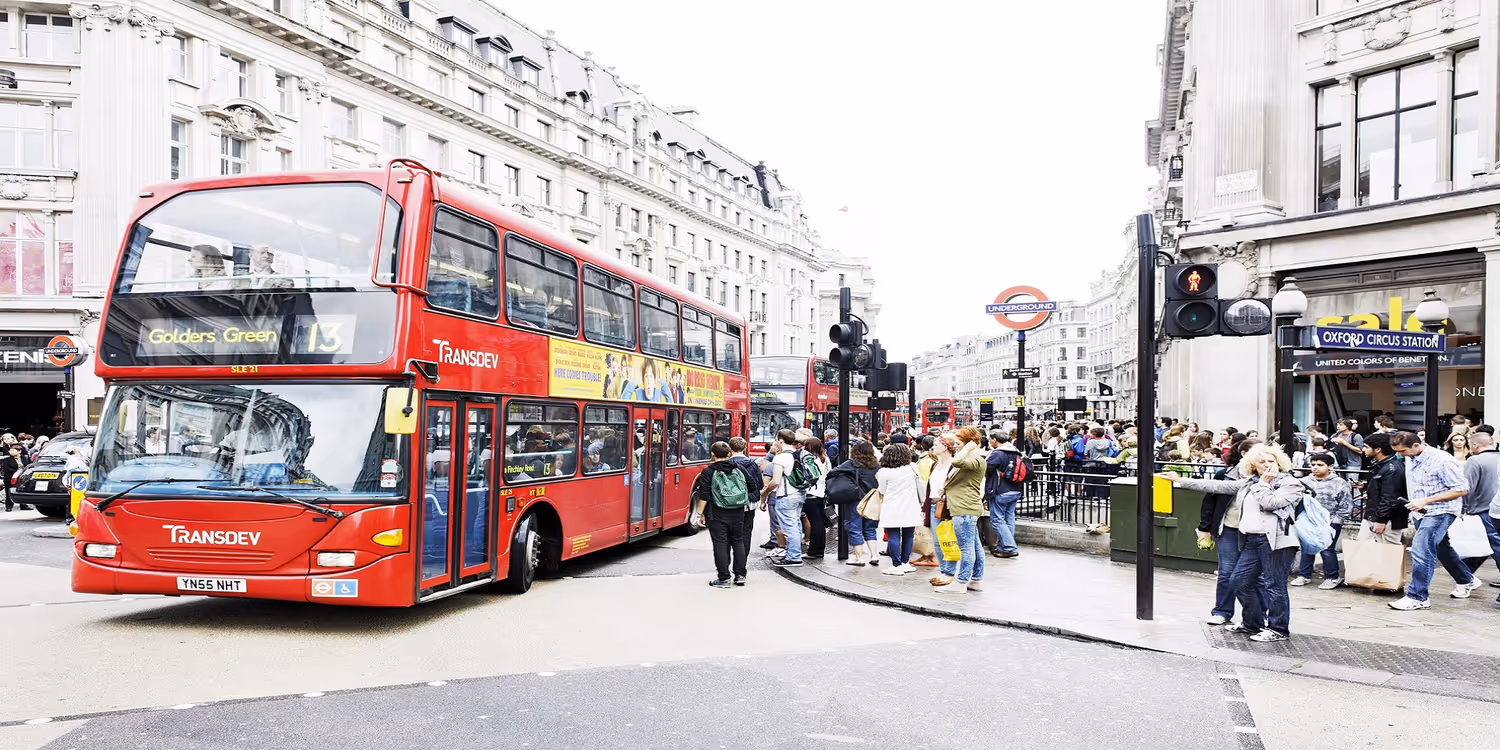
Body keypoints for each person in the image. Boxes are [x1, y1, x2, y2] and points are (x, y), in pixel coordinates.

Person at [1169, 443, 1304, 642]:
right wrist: (1180, 480)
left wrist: (1264, 484)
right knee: (1238, 580)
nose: (1267, 465)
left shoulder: (1290, 483)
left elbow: (1271, 503)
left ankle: (1278, 629)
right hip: (1251, 540)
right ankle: (1253, 624)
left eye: (1271, 461)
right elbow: (1218, 486)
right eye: (1261, 461)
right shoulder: (1250, 482)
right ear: (1252, 465)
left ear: (1279, 463)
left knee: (1274, 586)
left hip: (1276, 542)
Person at [1387, 431, 1482, 611]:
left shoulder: (1442, 460)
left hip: (1441, 510)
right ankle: (1466, 579)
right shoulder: (1410, 457)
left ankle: (1418, 597)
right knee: (1441, 548)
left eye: (1402, 451)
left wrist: (1425, 500)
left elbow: (1461, 489)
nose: (1399, 455)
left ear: (1416, 445)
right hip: (1419, 511)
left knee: (1421, 550)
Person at [1193, 438, 1259, 626]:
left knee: (1257, 576)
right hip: (1229, 528)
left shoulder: (1267, 475)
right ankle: (1222, 611)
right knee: (1226, 572)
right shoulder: (1225, 474)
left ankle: (1257, 616)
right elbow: (1210, 501)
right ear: (1244, 454)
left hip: (1256, 531)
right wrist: (1205, 528)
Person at [692, 442, 753, 588]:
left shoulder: (708, 471)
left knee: (720, 544)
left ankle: (724, 578)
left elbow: (704, 495)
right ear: (729, 454)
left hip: (716, 513)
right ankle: (740, 575)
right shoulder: (739, 468)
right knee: (738, 541)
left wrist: (699, 513)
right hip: (738, 511)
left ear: (712, 454)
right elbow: (752, 486)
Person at [935, 426, 987, 594]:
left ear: (969, 444)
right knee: (975, 547)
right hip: (965, 507)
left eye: (958, 443)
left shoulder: (976, 459)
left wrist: (968, 447)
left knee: (966, 548)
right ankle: (976, 580)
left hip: (964, 508)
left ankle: (961, 582)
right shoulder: (972, 460)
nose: (955, 446)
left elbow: (956, 461)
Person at [1290, 453, 1353, 590]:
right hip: (1308, 520)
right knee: (1307, 547)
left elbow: (1346, 504)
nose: (1315, 468)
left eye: (1320, 465)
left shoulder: (1339, 483)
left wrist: (1336, 521)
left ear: (1330, 467)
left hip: (1330, 521)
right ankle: (1304, 575)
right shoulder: (1305, 481)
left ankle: (1332, 577)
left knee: (1327, 549)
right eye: (1313, 465)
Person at [826, 440, 881, 565]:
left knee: (854, 527)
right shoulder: (876, 465)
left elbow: (833, 472)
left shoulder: (852, 463)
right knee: (870, 528)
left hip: (856, 499)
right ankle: (874, 556)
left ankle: (859, 558)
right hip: (872, 500)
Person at [875, 443, 923, 575]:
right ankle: (905, 563)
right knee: (908, 535)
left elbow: (882, 490)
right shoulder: (912, 467)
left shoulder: (883, 472)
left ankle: (896, 565)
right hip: (911, 505)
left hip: (892, 507)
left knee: (893, 535)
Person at [761, 429, 805, 567]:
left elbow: (775, 482)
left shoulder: (780, 458)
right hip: (800, 494)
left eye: (776, 440)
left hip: (786, 496)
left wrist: (764, 493)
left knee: (789, 528)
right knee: (796, 525)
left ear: (780, 440)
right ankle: (794, 553)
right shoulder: (799, 454)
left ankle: (794, 557)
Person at [1461, 431, 1500, 579]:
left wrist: (1463, 510)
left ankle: (1464, 577)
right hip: (1494, 508)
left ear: (1475, 445)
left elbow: (1467, 488)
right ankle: (1465, 576)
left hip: (1485, 510)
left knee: (1492, 545)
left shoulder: (1475, 460)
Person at [1358, 432, 1408, 545]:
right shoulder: (1382, 465)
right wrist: (1366, 486)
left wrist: (1382, 520)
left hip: (1387, 519)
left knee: (1388, 552)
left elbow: (1390, 496)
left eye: (1366, 447)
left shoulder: (1392, 468)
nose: (1363, 450)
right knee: (1363, 548)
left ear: (1378, 449)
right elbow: (1384, 489)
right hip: (1374, 514)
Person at [985, 432, 1025, 558]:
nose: (989, 442)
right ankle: (1004, 546)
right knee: (1009, 519)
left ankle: (1009, 547)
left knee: (997, 520)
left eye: (990, 439)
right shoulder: (1016, 452)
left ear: (995, 440)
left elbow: (985, 468)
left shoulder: (998, 453)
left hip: (1000, 490)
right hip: (1016, 489)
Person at [800, 436, 832, 559]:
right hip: (821, 493)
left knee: (815, 523)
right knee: (819, 522)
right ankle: (820, 549)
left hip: (811, 493)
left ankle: (813, 551)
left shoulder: (810, 459)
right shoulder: (825, 459)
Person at [1, 443, 27, 512]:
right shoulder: (7, 459)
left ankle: (23, 505)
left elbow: (28, 465)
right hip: (10, 477)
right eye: (10, 450)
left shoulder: (24, 457)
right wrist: (17, 471)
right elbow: (6, 469)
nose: (11, 452)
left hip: (22, 477)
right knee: (9, 491)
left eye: (13, 450)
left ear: (19, 451)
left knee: (22, 490)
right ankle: (9, 506)